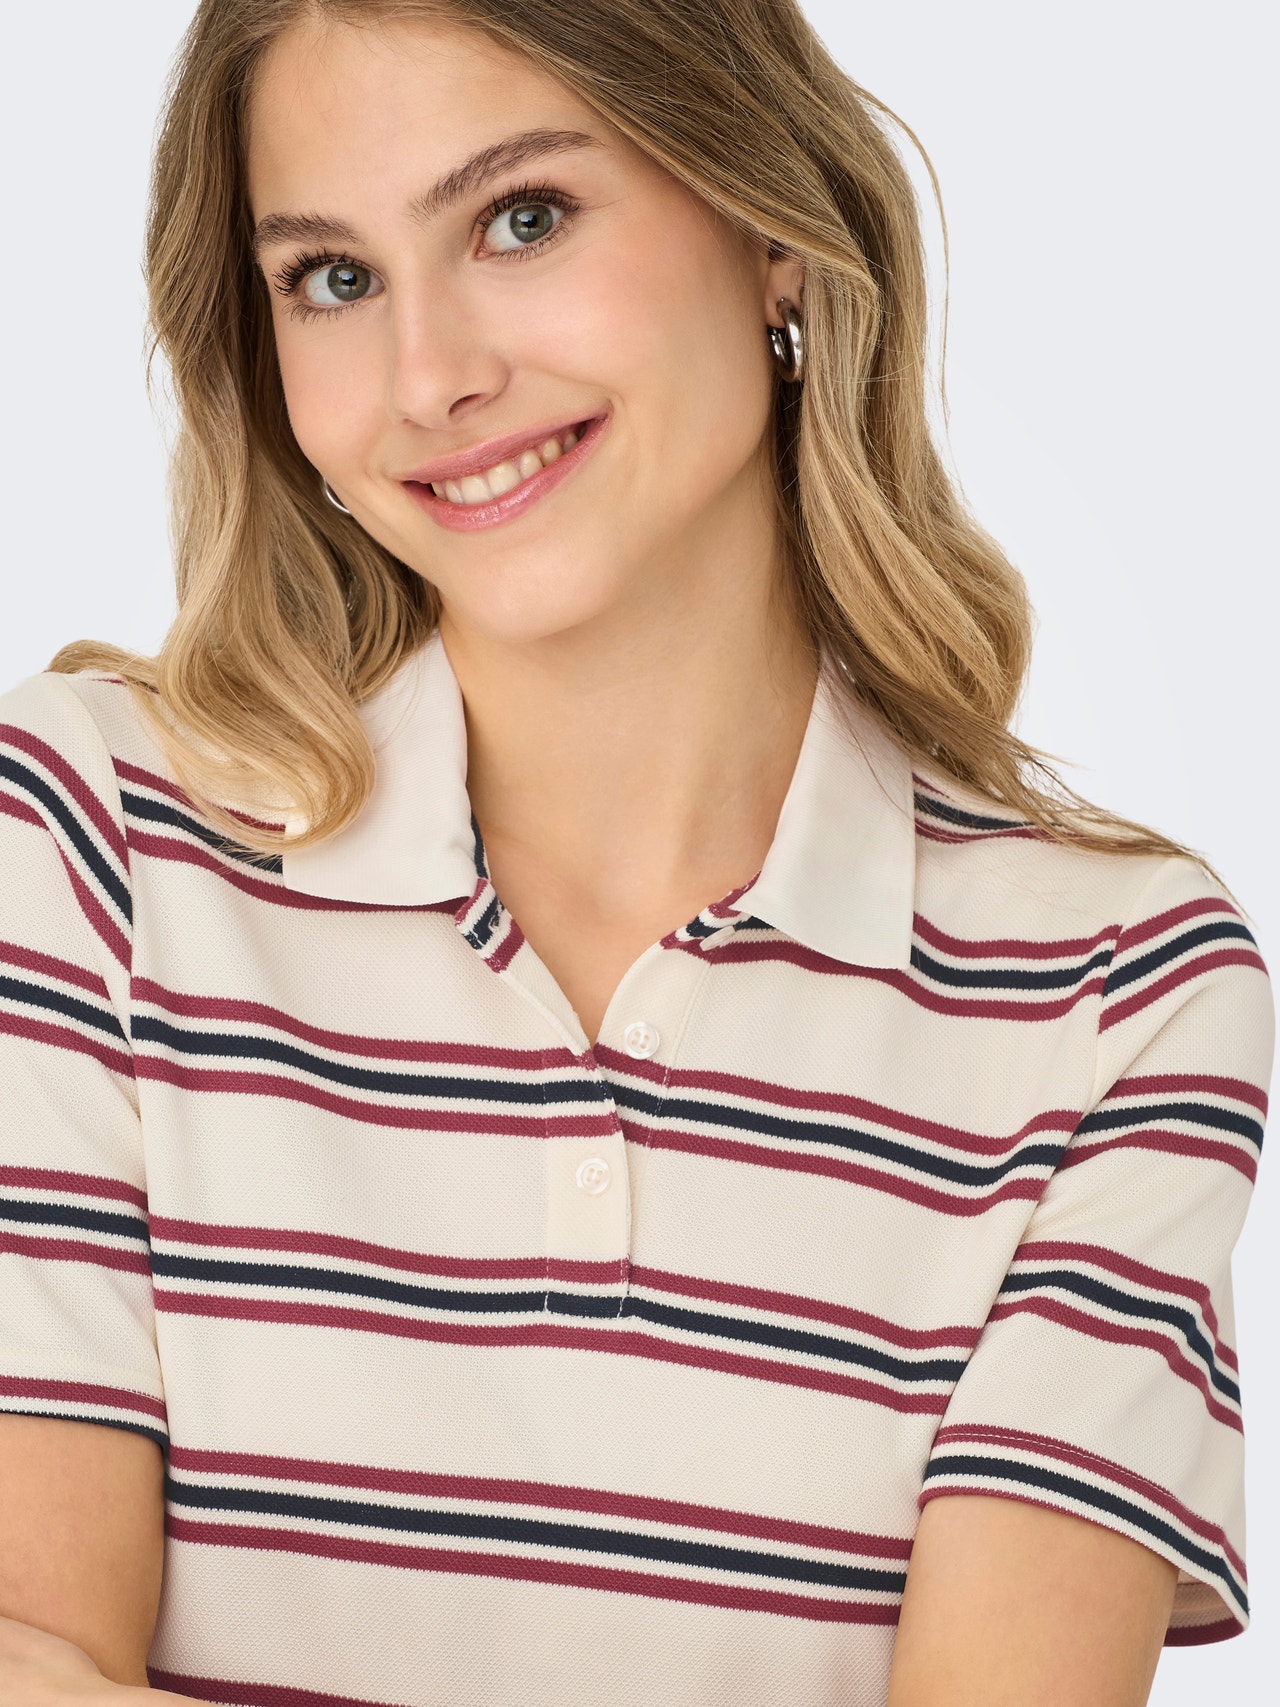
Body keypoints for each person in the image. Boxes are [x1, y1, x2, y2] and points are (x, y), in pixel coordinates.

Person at [0, 1, 1271, 1703]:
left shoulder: (1117, 991)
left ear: (773, 230)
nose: (429, 378)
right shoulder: (95, 840)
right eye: (333, 277)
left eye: (521, 219)